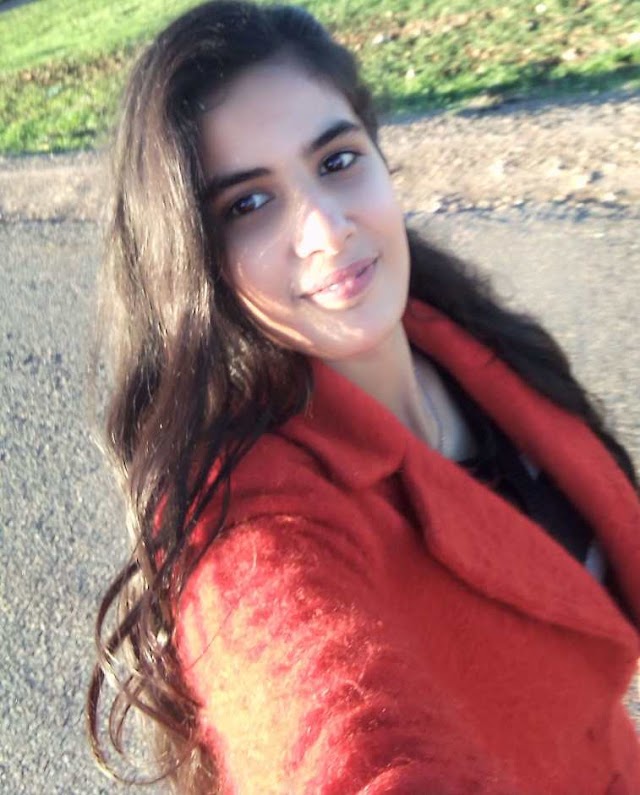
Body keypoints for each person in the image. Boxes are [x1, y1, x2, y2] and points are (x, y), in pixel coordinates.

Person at [88, 1, 640, 793]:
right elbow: (333, 731)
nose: (327, 228)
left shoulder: (464, 333)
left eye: (337, 160)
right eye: (248, 205)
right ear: (194, 262)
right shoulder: (252, 518)